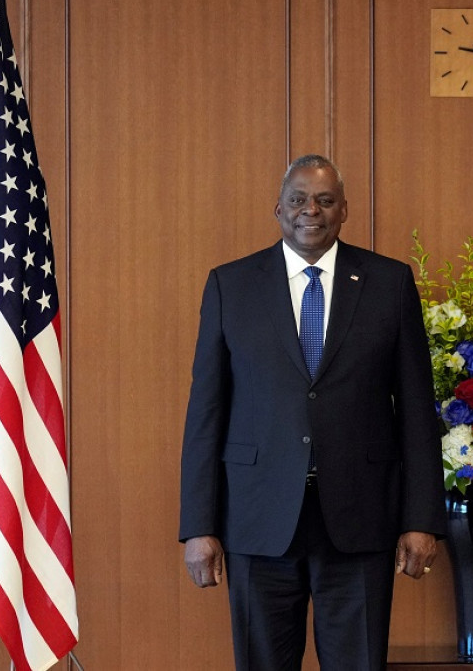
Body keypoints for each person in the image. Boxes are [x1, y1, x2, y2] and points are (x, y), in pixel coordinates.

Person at [179, 154, 446, 670]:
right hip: (257, 521)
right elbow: (206, 412)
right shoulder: (230, 285)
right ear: (278, 207)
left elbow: (416, 409)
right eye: (299, 199)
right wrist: (198, 525)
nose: (311, 211)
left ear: (344, 210)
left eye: (325, 200)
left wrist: (421, 519)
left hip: (359, 520)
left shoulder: (389, 284)